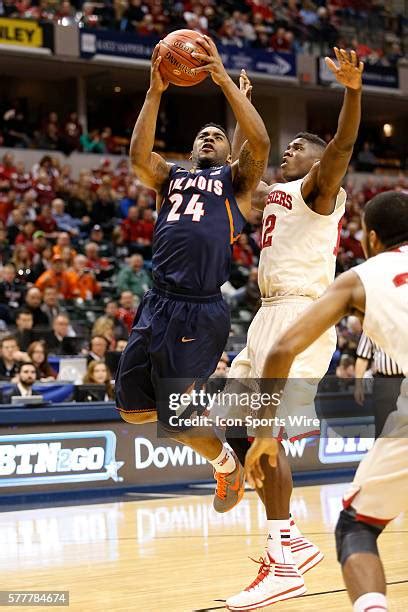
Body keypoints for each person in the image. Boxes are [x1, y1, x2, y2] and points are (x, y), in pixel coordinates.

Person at [222, 48, 363, 609]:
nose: (288, 150)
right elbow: (235, 187)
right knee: (231, 426)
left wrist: (352, 92)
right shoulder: (275, 194)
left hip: (302, 313)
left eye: (298, 146)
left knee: (265, 433)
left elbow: (344, 147)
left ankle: (283, 559)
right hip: (265, 312)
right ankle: (294, 542)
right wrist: (241, 113)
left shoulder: (320, 191)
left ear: (318, 155)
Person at [116, 37, 270, 513]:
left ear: (228, 153)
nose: (208, 137)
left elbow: (260, 143)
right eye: (202, 134)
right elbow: (139, 158)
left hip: (198, 310)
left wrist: (223, 79)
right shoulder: (172, 178)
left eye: (217, 135)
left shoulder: (237, 183)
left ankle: (226, 464)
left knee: (178, 421)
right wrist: (155, 91)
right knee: (134, 410)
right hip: (156, 301)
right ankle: (206, 423)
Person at [244, 192, 408, 612]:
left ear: (370, 239)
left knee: (357, 526)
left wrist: (264, 435)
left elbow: (282, 350)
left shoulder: (360, 277)